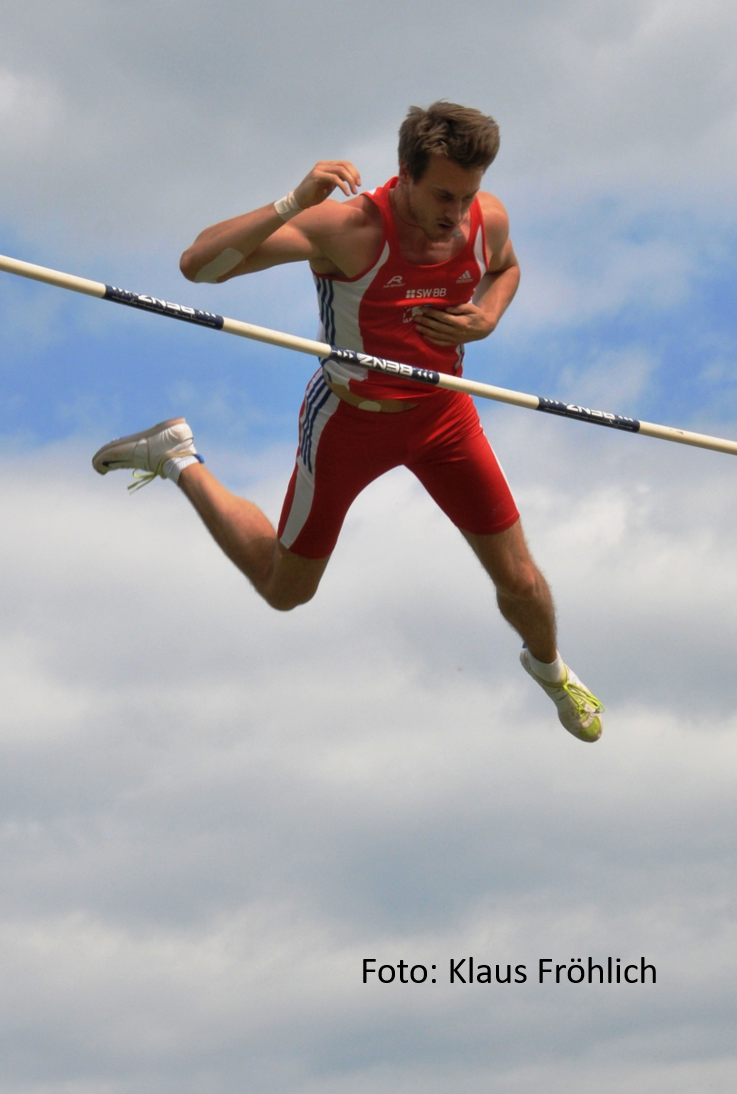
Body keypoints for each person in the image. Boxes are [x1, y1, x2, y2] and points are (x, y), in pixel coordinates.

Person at [92, 101, 603, 743]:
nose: (456, 212)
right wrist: (291, 204)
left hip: (444, 417)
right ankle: (177, 458)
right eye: (443, 195)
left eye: (467, 195)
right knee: (286, 590)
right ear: (405, 175)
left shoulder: (485, 220)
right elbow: (200, 266)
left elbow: (506, 269)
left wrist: (490, 313)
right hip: (349, 419)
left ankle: (551, 672)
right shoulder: (347, 229)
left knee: (521, 580)